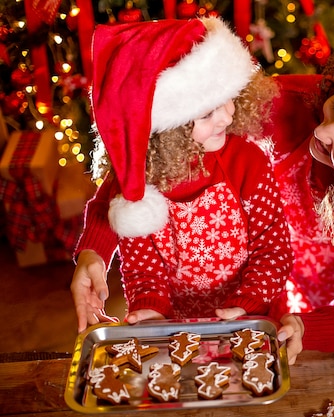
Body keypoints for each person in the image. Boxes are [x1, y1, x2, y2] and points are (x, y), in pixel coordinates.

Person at [72, 39, 334, 365]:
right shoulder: (282, 105)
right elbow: (153, 155)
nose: (322, 133)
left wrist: (309, 328)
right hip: (251, 301)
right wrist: (96, 246)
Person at [74, 16, 292, 329]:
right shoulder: (139, 181)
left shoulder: (248, 162)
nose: (228, 116)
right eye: (207, 112)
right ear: (167, 130)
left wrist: (249, 303)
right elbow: (142, 268)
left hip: (253, 314)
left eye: (227, 98)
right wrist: (150, 308)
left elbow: (272, 246)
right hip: (177, 322)